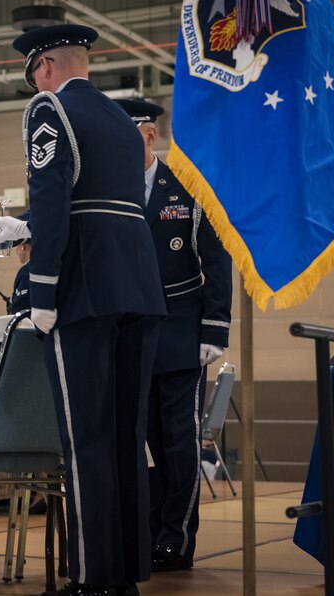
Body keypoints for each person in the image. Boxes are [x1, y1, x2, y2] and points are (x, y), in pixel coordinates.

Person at [0, 25, 167, 596]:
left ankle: (93, 578)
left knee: (85, 439)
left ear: (44, 67)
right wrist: (21, 224)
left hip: (84, 288)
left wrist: (41, 289)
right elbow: (97, 195)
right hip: (138, 284)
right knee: (126, 437)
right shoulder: (124, 121)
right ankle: (125, 574)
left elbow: (54, 195)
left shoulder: (49, 108)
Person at [113, 99, 233, 573]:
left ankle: (176, 540)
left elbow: (216, 259)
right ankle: (148, 533)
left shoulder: (187, 185)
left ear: (147, 135)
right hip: (131, 334)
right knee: (146, 443)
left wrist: (214, 327)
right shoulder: (113, 188)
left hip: (182, 332)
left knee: (180, 443)